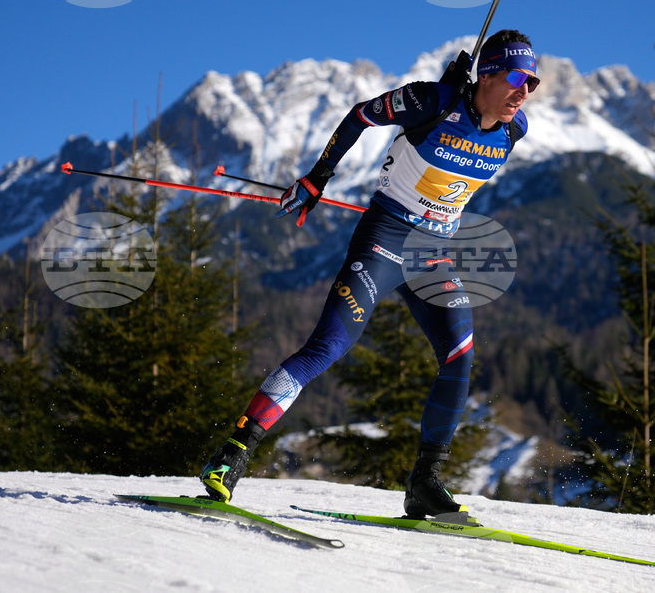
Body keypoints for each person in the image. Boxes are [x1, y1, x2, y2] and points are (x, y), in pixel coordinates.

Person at [200, 29, 539, 518]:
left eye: (532, 82)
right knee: (328, 347)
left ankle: (424, 483)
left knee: (460, 356)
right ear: (485, 74)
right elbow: (361, 114)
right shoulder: (431, 101)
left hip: (433, 254)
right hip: (385, 239)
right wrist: (319, 176)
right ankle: (232, 454)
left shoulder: (514, 129)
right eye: (515, 78)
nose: (524, 92)